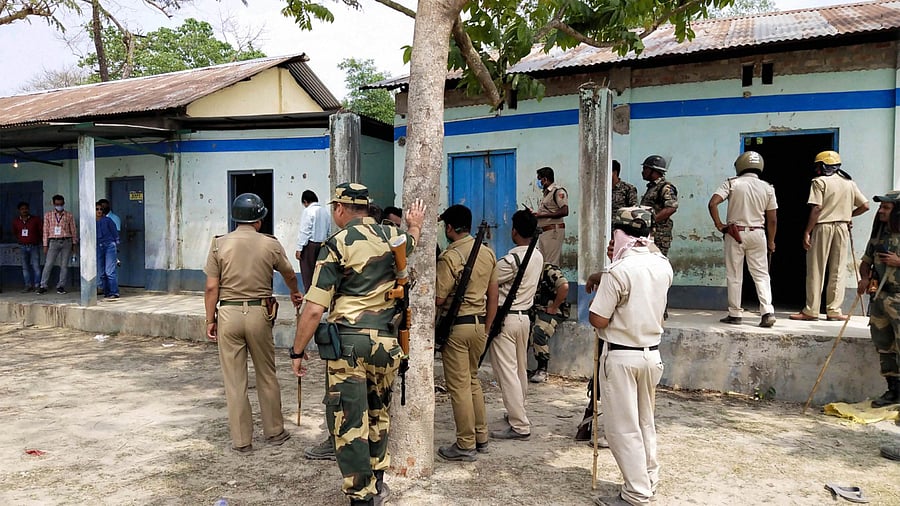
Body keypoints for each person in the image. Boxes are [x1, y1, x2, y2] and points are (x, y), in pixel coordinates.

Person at [288, 183, 425, 506]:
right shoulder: (394, 236)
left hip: (348, 346)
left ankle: (360, 497)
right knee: (379, 412)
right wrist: (415, 224)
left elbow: (314, 308)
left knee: (349, 421)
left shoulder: (337, 244)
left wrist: (297, 350)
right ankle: (377, 482)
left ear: (339, 209)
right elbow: (413, 242)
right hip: (387, 344)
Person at [203, 193, 302, 454]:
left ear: (235, 218)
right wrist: (294, 292)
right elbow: (289, 273)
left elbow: (211, 287)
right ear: (259, 220)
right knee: (266, 374)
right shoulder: (270, 244)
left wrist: (209, 319)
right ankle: (274, 431)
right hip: (260, 313)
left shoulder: (218, 245)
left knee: (235, 381)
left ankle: (242, 441)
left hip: (228, 314)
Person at [589, 206, 673, 506]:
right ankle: (649, 479)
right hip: (652, 355)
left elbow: (597, 318)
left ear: (620, 234)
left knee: (622, 428)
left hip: (623, 356)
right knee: (644, 422)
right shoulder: (664, 266)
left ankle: (636, 492)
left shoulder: (618, 271)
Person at [435, 204, 498, 462]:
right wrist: (487, 327)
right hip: (479, 325)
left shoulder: (450, 257)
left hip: (457, 327)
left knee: (459, 387)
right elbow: (493, 296)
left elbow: (438, 299)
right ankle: (481, 436)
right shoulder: (487, 253)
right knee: (472, 382)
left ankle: (465, 443)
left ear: (449, 228)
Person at [790, 151, 869, 321]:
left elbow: (817, 208)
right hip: (842, 227)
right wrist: (847, 215)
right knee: (838, 269)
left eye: (818, 166)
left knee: (816, 269)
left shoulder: (819, 182)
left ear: (823, 167)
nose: (817, 169)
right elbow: (865, 205)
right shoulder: (849, 184)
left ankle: (811, 311)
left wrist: (807, 231)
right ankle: (834, 310)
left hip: (823, 227)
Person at [489, 210, 543, 440]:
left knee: (507, 373)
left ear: (515, 231)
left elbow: (488, 279)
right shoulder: (538, 256)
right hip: (524, 317)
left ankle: (519, 424)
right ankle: (517, 411)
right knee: (519, 369)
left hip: (506, 317)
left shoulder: (512, 260)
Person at [708, 151, 778, 327]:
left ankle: (735, 314)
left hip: (735, 233)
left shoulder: (732, 183)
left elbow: (712, 203)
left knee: (734, 275)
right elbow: (772, 220)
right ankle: (767, 312)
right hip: (758, 233)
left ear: (740, 165)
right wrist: (771, 241)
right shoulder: (768, 187)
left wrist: (719, 225)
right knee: (761, 274)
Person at [856, 190, 900, 408]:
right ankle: (893, 390)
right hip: (881, 298)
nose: (881, 211)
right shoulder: (879, 233)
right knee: (884, 345)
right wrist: (864, 278)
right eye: (881, 207)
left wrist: (898, 262)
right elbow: (866, 260)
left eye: (886, 207)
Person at [529, 262, 569, 383]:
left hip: (552, 311)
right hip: (533, 309)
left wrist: (554, 306)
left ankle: (542, 368)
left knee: (538, 331)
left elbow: (564, 286)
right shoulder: (525, 269)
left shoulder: (549, 270)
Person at [639, 155, 678, 257]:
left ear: (654, 171)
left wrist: (652, 220)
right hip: (649, 235)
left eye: (645, 169)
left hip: (659, 236)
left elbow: (671, 207)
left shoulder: (665, 187)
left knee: (657, 264)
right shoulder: (652, 187)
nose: (643, 172)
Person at [38, 194, 77, 295]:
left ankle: (61, 286)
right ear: (53, 204)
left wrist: (74, 243)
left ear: (63, 203)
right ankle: (43, 285)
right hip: (53, 241)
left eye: (60, 204)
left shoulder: (69, 215)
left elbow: (73, 230)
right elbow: (45, 231)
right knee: (48, 264)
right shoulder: (48, 215)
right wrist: (45, 245)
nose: (59, 206)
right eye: (57, 204)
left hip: (66, 241)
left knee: (64, 265)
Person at [294, 190, 331, 294]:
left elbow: (305, 231)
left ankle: (310, 296)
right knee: (319, 274)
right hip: (322, 245)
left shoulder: (308, 211)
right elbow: (328, 230)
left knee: (307, 274)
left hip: (309, 246)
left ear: (305, 201)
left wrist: (299, 248)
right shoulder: (325, 211)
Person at [534, 166, 568, 266]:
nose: (538, 182)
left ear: (545, 179)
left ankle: (554, 281)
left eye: (539, 179)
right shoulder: (546, 193)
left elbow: (565, 211)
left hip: (553, 231)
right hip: (544, 231)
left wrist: (542, 215)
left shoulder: (558, 191)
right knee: (544, 262)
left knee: (551, 263)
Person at [12, 202, 41, 292]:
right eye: (22, 209)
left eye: (26, 208)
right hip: (22, 247)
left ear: (28, 209)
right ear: (19, 211)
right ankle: (27, 285)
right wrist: (21, 240)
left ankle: (37, 285)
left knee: (36, 266)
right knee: (25, 267)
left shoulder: (35, 219)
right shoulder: (16, 221)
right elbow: (15, 233)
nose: (24, 210)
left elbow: (40, 231)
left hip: (34, 246)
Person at [95, 202, 120, 299]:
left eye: (101, 209)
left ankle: (114, 292)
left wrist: (116, 245)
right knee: (101, 271)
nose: (99, 211)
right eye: (97, 209)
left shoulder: (108, 220)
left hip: (109, 245)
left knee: (109, 270)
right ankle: (106, 291)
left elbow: (115, 233)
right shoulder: (91, 222)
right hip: (98, 246)